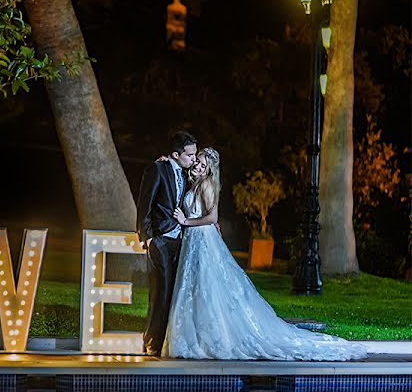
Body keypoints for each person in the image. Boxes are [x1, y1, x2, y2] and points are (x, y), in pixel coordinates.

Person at [162, 147, 367, 360]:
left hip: (202, 239)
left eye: (203, 165)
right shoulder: (194, 183)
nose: (198, 166)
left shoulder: (206, 185)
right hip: (194, 241)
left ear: (209, 171)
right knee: (197, 287)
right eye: (197, 162)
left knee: (207, 286)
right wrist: (167, 160)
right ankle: (197, 334)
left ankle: (213, 336)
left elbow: (213, 217)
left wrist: (186, 221)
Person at [137, 131, 198, 356]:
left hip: (180, 241)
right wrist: (148, 237)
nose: (193, 159)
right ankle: (152, 341)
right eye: (190, 155)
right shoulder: (158, 169)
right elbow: (145, 203)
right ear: (175, 154)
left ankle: (166, 342)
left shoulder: (187, 174)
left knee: (175, 292)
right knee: (160, 292)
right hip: (161, 239)